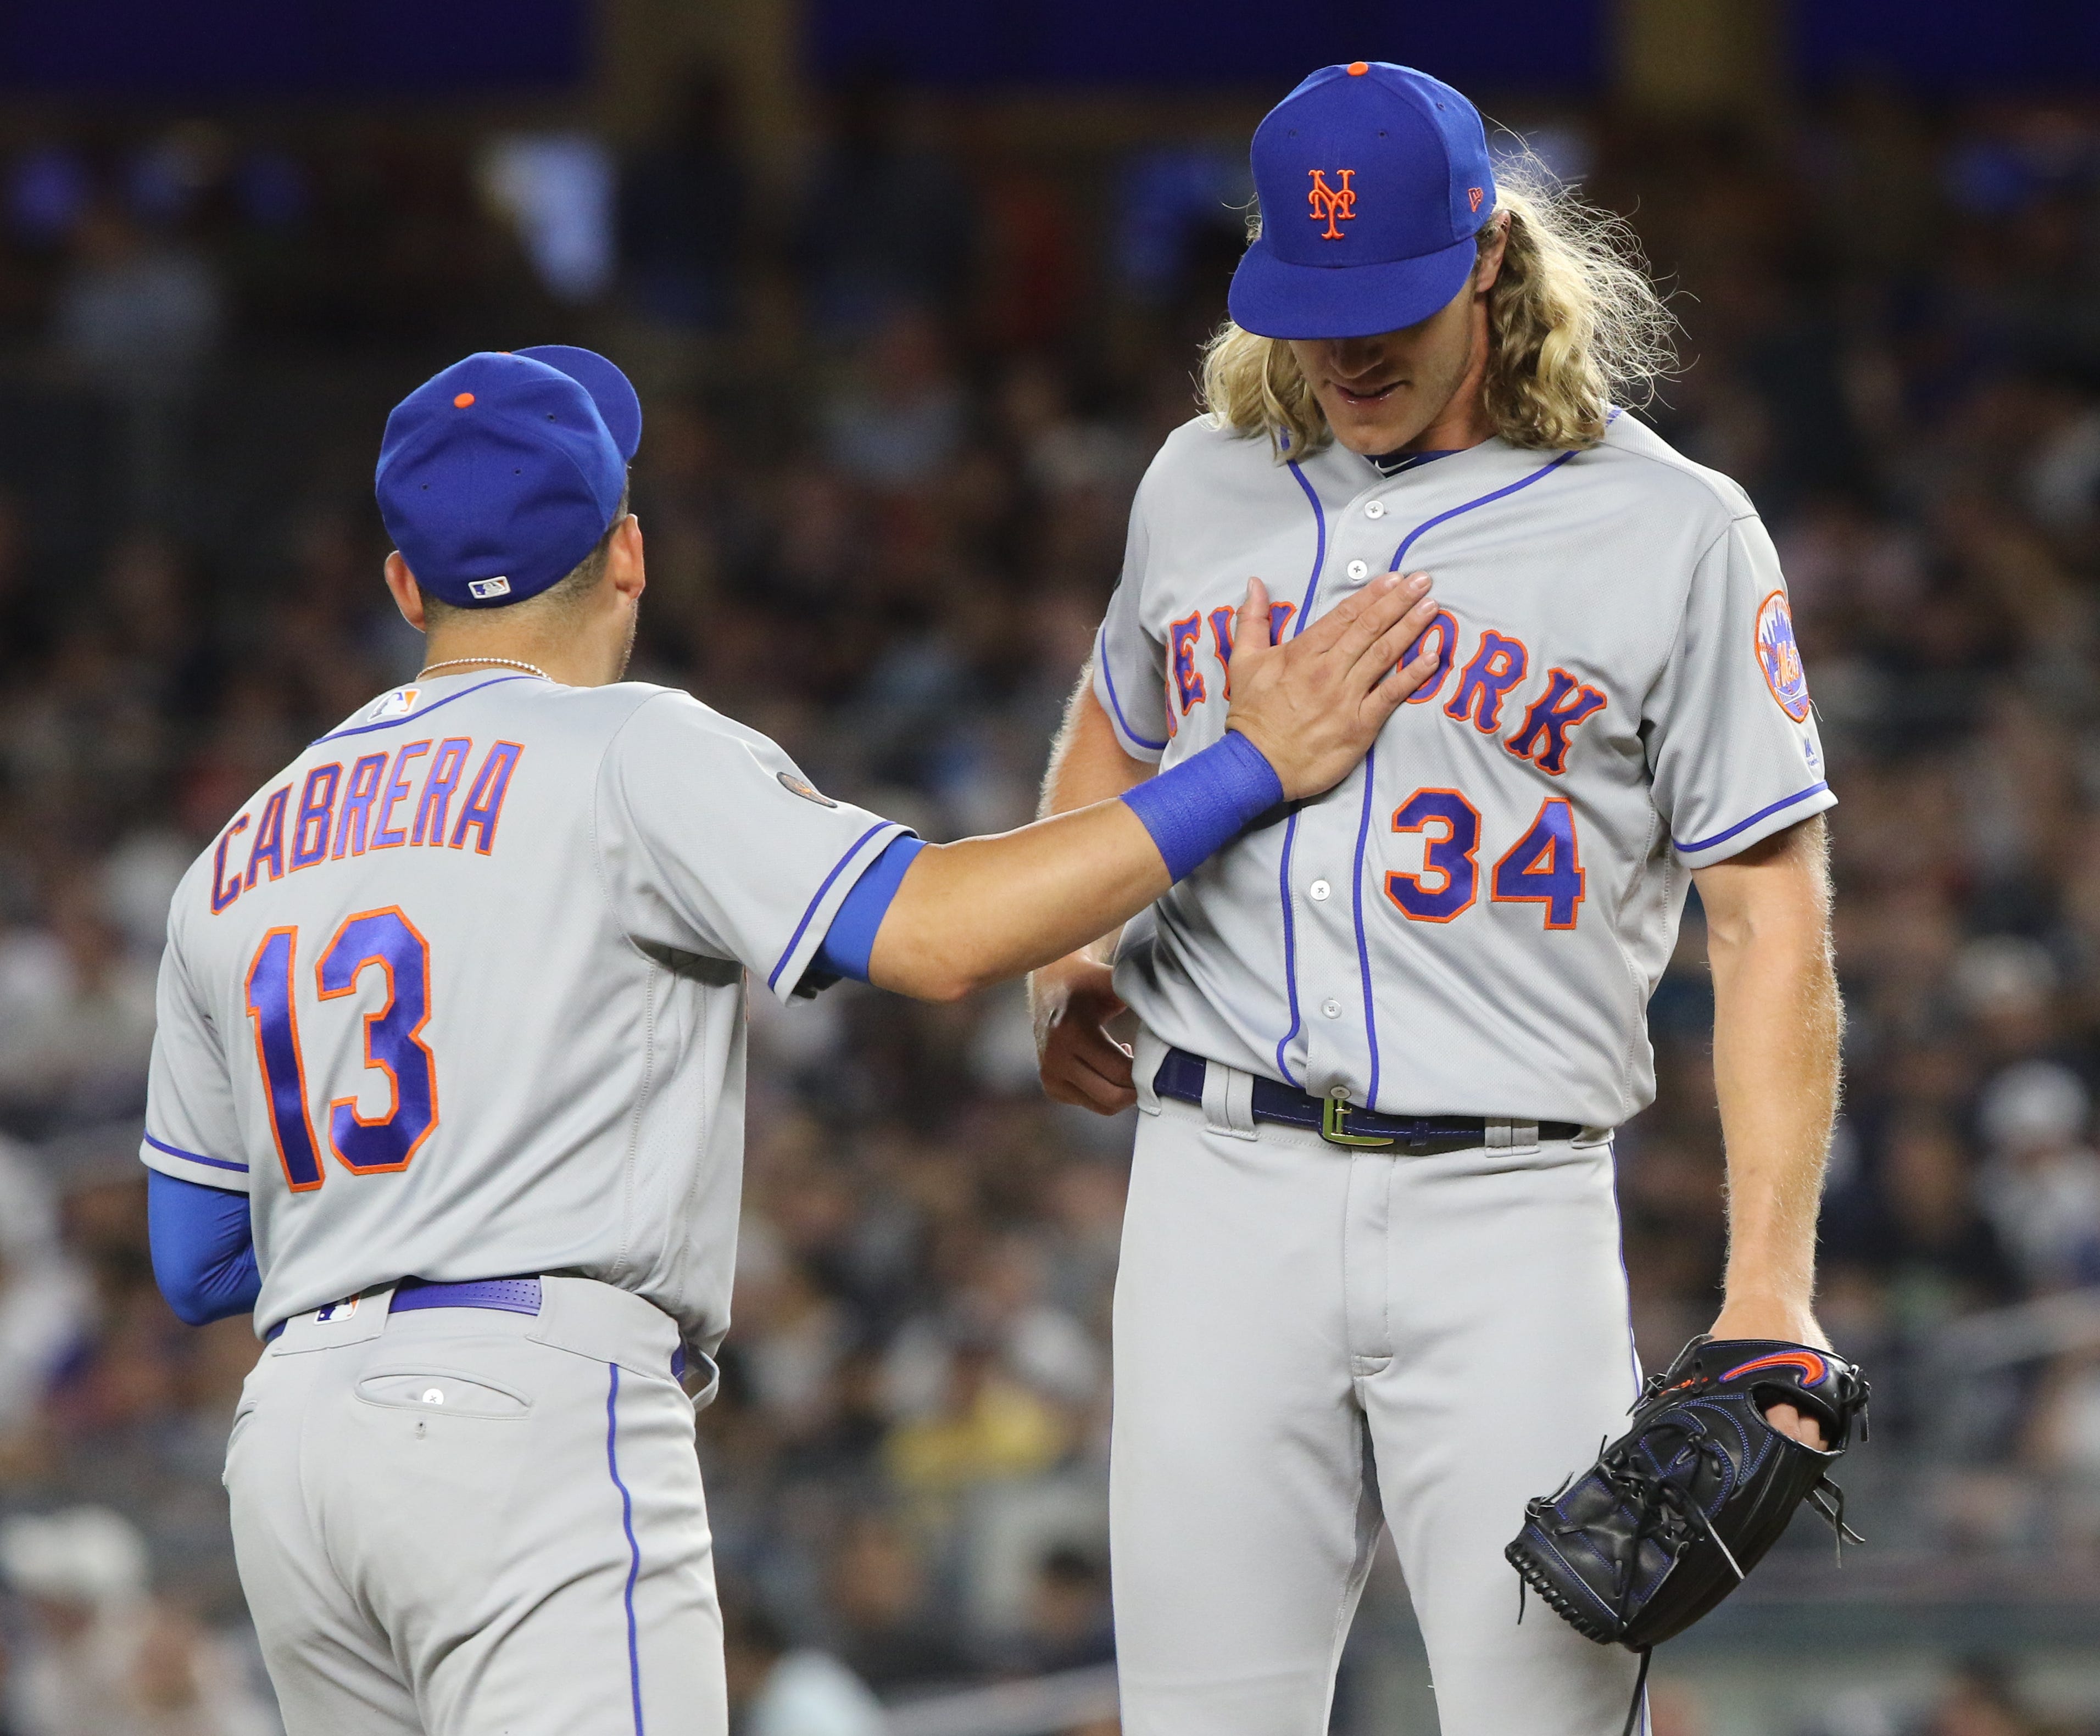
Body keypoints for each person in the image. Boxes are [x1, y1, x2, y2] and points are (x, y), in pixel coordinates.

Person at [136, 343, 1439, 1736]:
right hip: (526, 1412)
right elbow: (936, 936)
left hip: (291, 1448)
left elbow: (196, 1257)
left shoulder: (237, 848)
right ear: (627, 553)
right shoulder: (629, 749)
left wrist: (405, 1224)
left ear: (405, 584)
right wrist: (1241, 770)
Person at [1029, 62, 1843, 1736]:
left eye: (1393, 297)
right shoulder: (1201, 479)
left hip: (1512, 1214)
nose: (1352, 350)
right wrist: (1074, 930)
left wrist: (1770, 1279)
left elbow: (1771, 919)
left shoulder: (1673, 530)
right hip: (1216, 1190)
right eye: (1315, 308)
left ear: (1486, 254)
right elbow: (1112, 713)